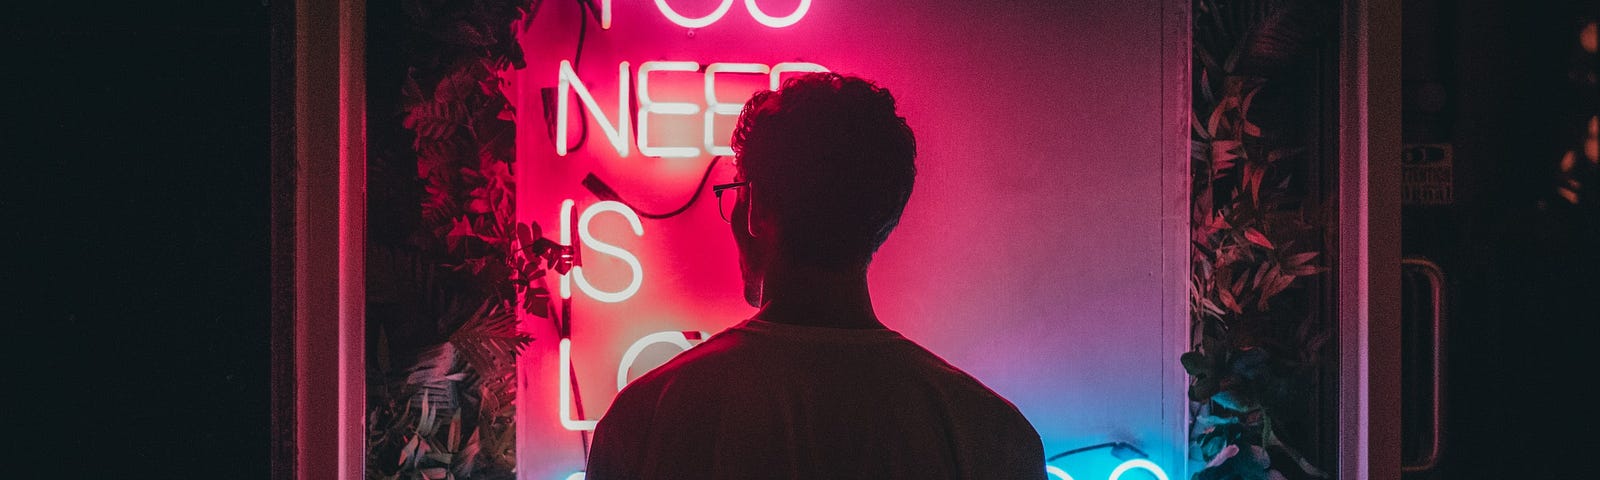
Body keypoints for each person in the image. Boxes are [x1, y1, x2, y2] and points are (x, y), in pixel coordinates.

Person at [585, 73, 1045, 479]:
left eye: (739, 190)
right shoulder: (987, 431)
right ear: (884, 216)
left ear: (757, 208)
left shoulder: (646, 417)